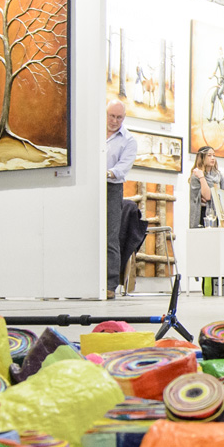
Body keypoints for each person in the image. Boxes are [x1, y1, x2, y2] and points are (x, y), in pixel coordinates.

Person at [105, 100, 137, 300]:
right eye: (111, 116)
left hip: (111, 188)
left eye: (119, 117)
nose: (115, 121)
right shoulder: (93, 133)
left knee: (110, 237)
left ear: (124, 118)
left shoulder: (129, 140)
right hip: (90, 187)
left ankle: (109, 285)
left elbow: (122, 168)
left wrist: (106, 173)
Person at [189, 147, 223, 228]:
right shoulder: (196, 175)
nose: (213, 158)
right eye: (209, 155)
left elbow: (223, 194)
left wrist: (215, 195)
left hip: (216, 212)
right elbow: (207, 196)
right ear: (202, 157)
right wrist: (201, 177)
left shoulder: (217, 175)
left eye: (214, 155)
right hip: (202, 213)